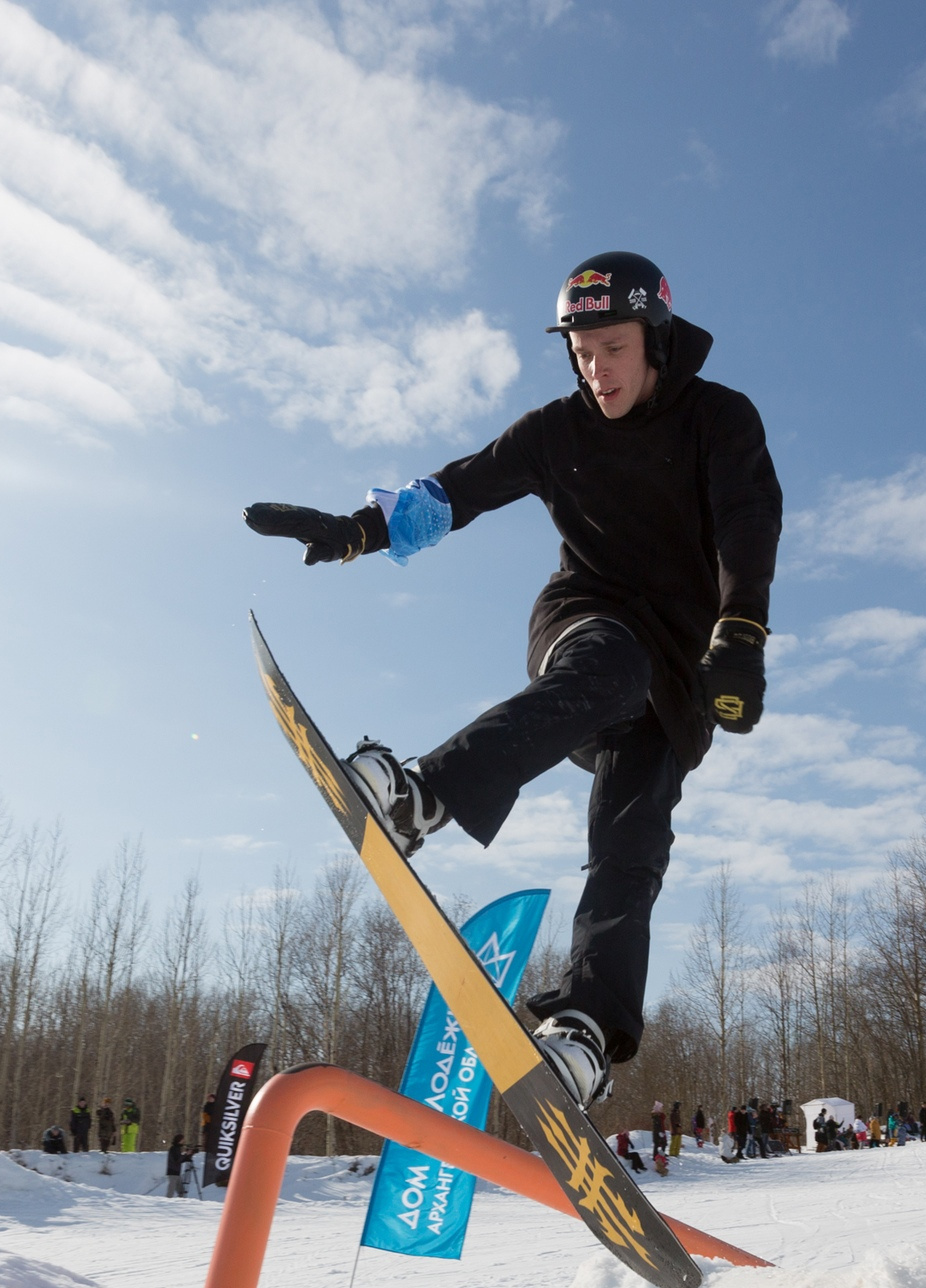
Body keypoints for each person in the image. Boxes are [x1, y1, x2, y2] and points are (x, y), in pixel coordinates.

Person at [245, 251, 782, 1110]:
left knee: (633, 842)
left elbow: (750, 518)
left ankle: (586, 1035)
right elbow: (458, 489)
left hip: (683, 668)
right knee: (610, 665)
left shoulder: (720, 420)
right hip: (589, 618)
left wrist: (741, 630)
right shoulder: (554, 432)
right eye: (581, 352)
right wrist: (357, 530)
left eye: (611, 348)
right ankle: (421, 795)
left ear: (656, 340)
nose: (595, 370)